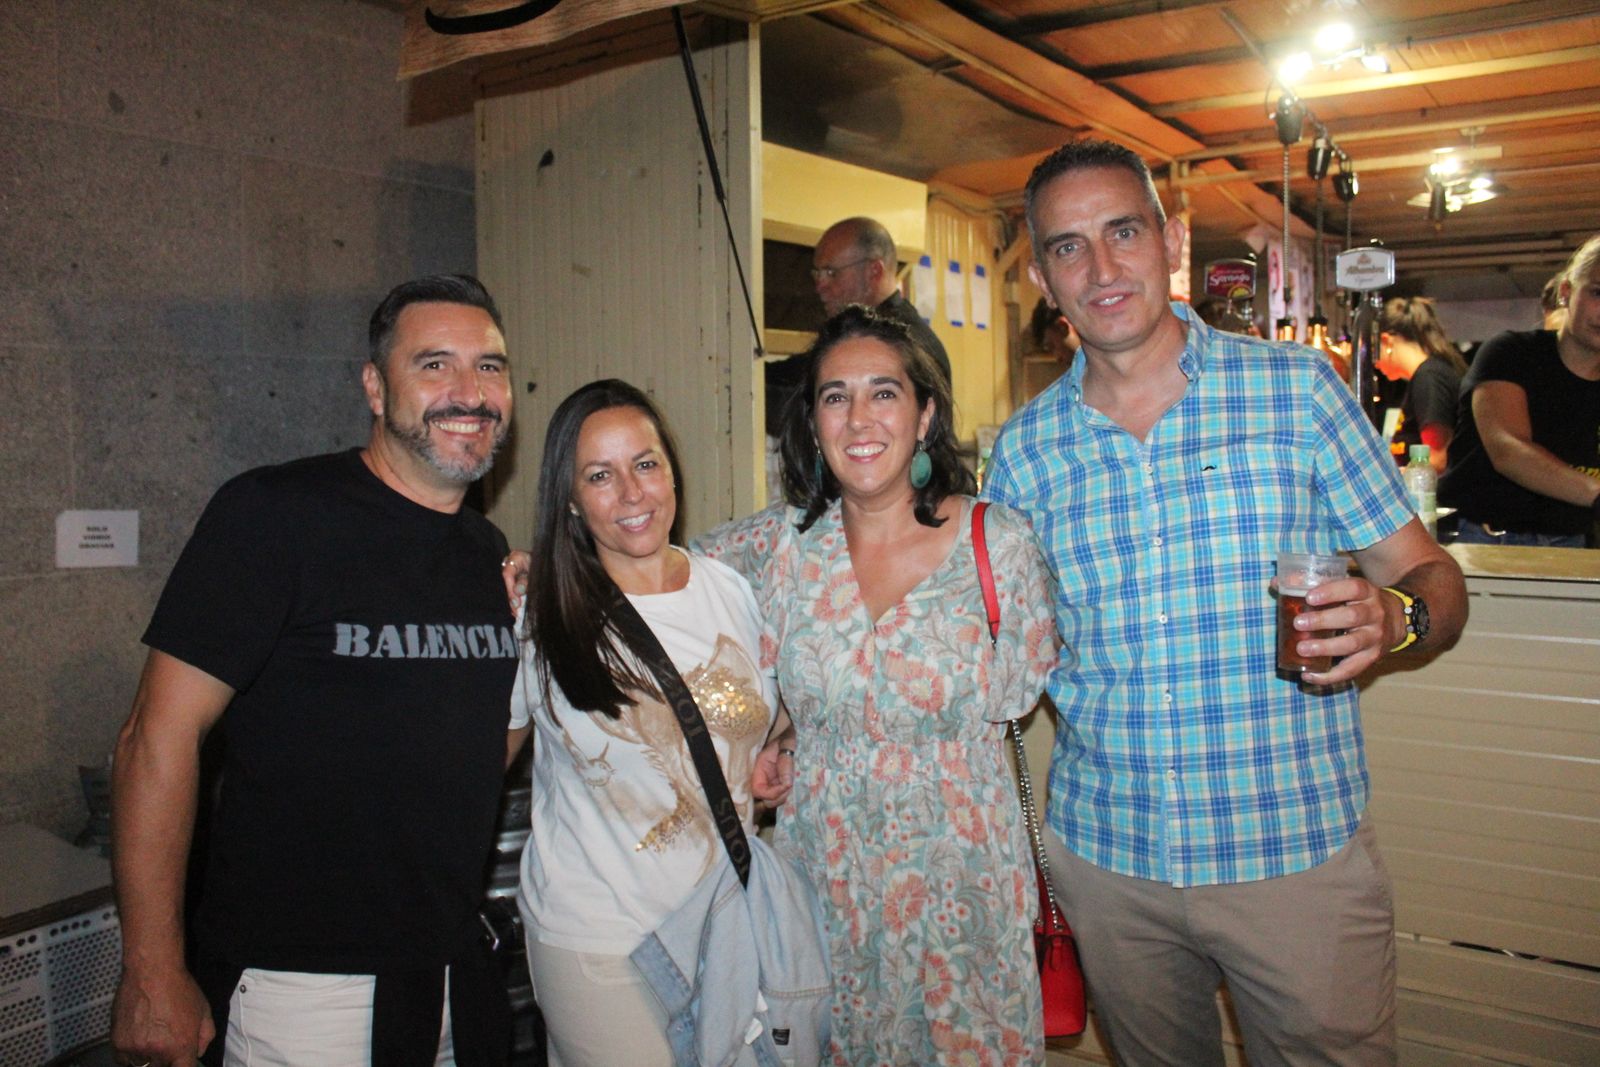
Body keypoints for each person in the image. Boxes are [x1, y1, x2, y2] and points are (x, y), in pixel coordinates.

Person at [984, 139, 1468, 1067]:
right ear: (1045, 277)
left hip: (1294, 857)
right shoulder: (1022, 451)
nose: (1102, 266)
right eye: (1068, 247)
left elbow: (1434, 581)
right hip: (1110, 860)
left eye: (1122, 231)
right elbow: (1003, 643)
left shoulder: (1295, 391)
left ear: (1168, 241)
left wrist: (1394, 617)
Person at [110, 275, 525, 1067]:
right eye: (434, 364)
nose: (469, 392)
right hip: (303, 986)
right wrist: (152, 969)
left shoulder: (483, 553)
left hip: (449, 971)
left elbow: (466, 752)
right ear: (375, 385)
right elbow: (152, 738)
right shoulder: (273, 515)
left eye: (491, 367)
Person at [696, 306, 1058, 1066]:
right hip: (828, 885)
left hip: (966, 892)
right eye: (835, 396)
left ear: (925, 414)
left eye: (883, 392)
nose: (858, 417)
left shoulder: (1000, 544)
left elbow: (1027, 689)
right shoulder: (778, 548)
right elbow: (660, 586)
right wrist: (758, 731)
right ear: (814, 420)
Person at [511, 380, 789, 1067]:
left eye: (645, 463)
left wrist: (770, 750)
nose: (632, 493)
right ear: (571, 500)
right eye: (600, 476)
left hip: (721, 925)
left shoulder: (729, 589)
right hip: (599, 939)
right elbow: (480, 758)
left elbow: (760, 712)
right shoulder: (538, 615)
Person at [1440, 234, 1600, 547]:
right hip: (1483, 538)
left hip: (1569, 543)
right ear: (1566, 292)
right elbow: (1508, 450)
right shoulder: (1511, 353)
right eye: (1598, 293)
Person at [812, 216, 953, 384]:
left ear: (874, 271)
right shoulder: (861, 332)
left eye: (831, 273)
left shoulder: (902, 342)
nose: (820, 286)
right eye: (816, 274)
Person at [1376, 296, 1466, 472]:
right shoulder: (1429, 374)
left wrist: (1395, 477)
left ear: (1387, 341)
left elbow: (1438, 458)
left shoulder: (1430, 377)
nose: (1375, 364)